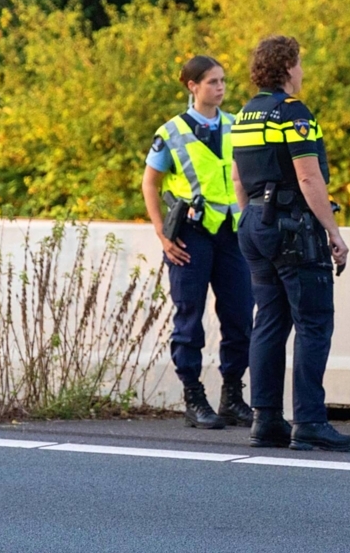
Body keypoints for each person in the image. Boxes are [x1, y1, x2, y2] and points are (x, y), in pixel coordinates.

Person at [231, 35, 350, 452]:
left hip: (253, 223)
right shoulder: (293, 113)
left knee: (268, 320)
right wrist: (333, 231)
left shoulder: (244, 115)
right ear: (287, 67)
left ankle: (265, 420)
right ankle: (310, 422)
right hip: (292, 226)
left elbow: (237, 178)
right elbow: (308, 176)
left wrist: (253, 219)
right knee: (314, 322)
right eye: (299, 63)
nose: (302, 70)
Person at [141, 55, 254, 430]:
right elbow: (150, 184)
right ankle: (193, 396)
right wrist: (161, 233)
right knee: (190, 318)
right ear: (192, 86)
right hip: (190, 234)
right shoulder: (171, 132)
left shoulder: (236, 125)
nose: (220, 88)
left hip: (232, 234)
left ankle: (232, 395)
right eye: (212, 82)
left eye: (223, 81)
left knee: (240, 315)